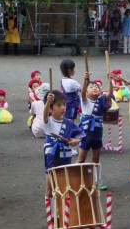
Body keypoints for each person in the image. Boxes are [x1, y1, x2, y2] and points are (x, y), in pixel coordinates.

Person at [43, 90, 85, 221]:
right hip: (52, 158)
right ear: (50, 108)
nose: (62, 108)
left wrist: (75, 142)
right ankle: (51, 217)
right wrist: (47, 103)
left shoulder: (68, 123)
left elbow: (80, 136)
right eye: (58, 105)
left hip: (65, 158)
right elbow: (44, 116)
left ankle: (61, 214)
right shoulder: (48, 122)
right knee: (50, 188)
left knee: (63, 188)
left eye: (64, 104)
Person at [76, 72, 114, 190]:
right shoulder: (85, 101)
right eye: (91, 87)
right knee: (81, 159)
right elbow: (81, 92)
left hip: (97, 134)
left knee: (96, 159)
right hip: (85, 134)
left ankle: (98, 180)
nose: (94, 88)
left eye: (97, 87)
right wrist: (85, 79)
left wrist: (110, 81)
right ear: (87, 92)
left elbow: (110, 94)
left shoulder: (101, 100)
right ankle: (75, 179)